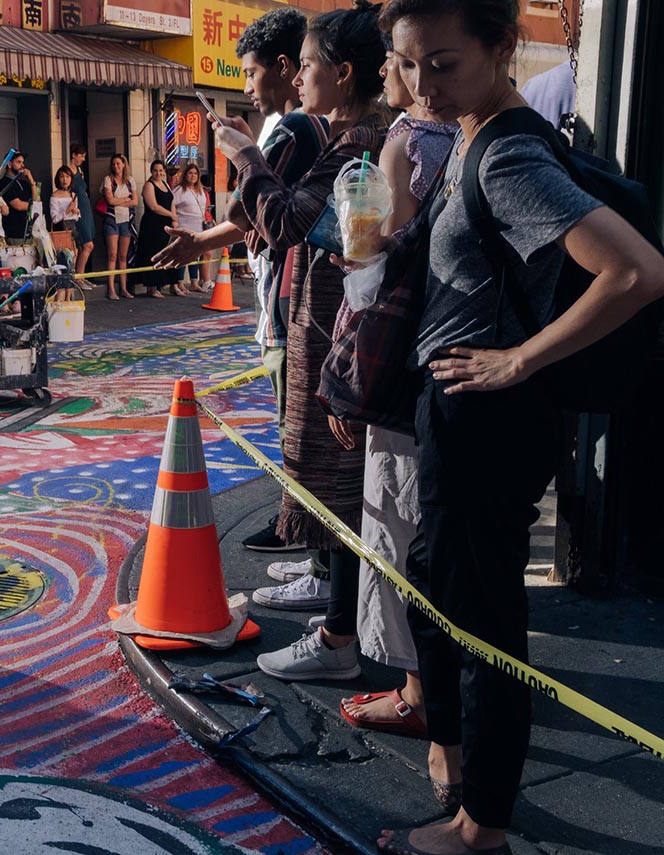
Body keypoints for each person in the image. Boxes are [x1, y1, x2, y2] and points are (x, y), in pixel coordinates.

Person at [372, 2, 663, 852]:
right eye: (409, 64)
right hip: (463, 409)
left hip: (486, 419)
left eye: (444, 63)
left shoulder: (507, 155)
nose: (424, 85)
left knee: (482, 617)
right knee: (439, 578)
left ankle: (481, 825)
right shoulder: (472, 132)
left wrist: (519, 360)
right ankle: (456, 755)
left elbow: (637, 271)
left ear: (503, 47)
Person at [217, 1, 387, 678]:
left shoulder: (360, 143)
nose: (297, 79)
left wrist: (244, 155)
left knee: (341, 481)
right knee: (344, 481)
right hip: (341, 328)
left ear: (341, 73)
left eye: (308, 65)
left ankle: (340, 640)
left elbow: (286, 221)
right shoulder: (359, 137)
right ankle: (341, 617)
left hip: (345, 334)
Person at [156, 8, 330, 546]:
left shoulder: (295, 128)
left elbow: (248, 211)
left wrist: (242, 155)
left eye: (252, 73)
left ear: (286, 67)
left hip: (293, 302)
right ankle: (311, 547)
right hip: (301, 298)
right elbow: (253, 217)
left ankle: (315, 556)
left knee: (298, 432)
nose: (247, 87)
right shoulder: (315, 128)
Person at [335, 44, 457, 743]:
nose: (387, 70)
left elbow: (372, 268)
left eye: (398, 58)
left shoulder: (404, 141)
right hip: (464, 355)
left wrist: (348, 378)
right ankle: (460, 681)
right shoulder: (477, 138)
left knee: (396, 521)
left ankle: (416, 692)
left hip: (406, 365)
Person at [136, 160, 181, 299]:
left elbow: (172, 202)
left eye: (161, 170)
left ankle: (170, 284)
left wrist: (174, 220)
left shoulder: (165, 184)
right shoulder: (149, 185)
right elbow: (153, 206)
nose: (158, 173)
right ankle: (152, 287)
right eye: (155, 170)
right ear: (151, 171)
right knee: (153, 253)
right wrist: (171, 215)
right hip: (152, 225)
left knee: (167, 252)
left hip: (166, 225)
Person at [101, 154, 136, 300]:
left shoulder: (130, 180)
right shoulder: (108, 180)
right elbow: (109, 200)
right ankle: (111, 289)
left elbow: (135, 201)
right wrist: (125, 200)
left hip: (126, 220)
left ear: (124, 164)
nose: (116, 166)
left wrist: (118, 201)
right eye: (114, 164)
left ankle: (124, 288)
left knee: (123, 256)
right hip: (112, 220)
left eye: (118, 163)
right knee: (112, 255)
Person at [173, 162, 212, 294]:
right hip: (184, 225)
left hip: (198, 226)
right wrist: (174, 222)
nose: (193, 176)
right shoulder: (179, 190)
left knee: (195, 254)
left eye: (195, 173)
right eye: (190, 173)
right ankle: (180, 282)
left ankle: (194, 282)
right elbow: (172, 206)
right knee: (183, 254)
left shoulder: (200, 190)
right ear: (185, 175)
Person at [66, 144, 96, 281]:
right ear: (74, 155)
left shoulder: (79, 170)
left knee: (87, 245)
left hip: (85, 206)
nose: (83, 159)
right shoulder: (68, 171)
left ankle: (81, 276)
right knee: (87, 244)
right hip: (77, 208)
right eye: (81, 156)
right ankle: (78, 277)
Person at [0, 152, 34, 243]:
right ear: (9, 164)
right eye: (18, 162)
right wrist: (35, 206)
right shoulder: (4, 183)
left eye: (23, 162)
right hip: (14, 232)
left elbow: (37, 200)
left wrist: (32, 183)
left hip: (29, 231)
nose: (22, 165)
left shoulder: (24, 183)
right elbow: (18, 205)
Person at [49, 166, 81, 233]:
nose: (65, 179)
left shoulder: (73, 195)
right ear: (58, 179)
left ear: (71, 179)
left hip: (73, 228)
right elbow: (54, 219)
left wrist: (77, 212)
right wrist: (68, 210)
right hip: (61, 229)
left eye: (67, 176)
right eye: (62, 176)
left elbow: (76, 217)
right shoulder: (54, 196)